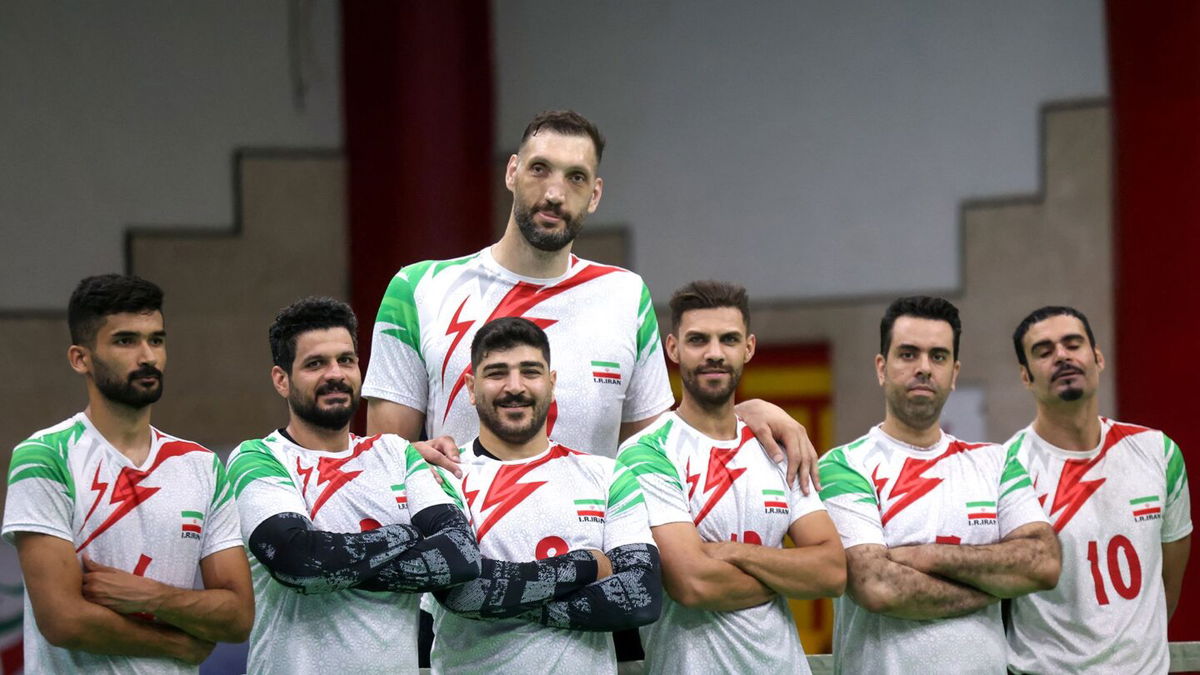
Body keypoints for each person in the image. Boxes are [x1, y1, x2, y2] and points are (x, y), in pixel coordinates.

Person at [362, 109, 818, 485]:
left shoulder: (625, 295)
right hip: (464, 577)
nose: (556, 193)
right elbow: (383, 463)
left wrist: (740, 414)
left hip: (592, 575)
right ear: (512, 172)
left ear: (595, 195)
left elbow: (659, 453)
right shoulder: (418, 288)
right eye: (539, 169)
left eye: (576, 178)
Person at [2, 274, 253, 672]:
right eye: (125, 341)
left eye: (156, 339)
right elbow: (63, 620)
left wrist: (151, 596)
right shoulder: (45, 456)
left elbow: (238, 616)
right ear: (79, 358)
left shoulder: (202, 466)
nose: (148, 356)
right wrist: (176, 643)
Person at [224, 297, 480, 674]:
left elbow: (460, 555)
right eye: (315, 364)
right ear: (281, 380)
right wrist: (407, 534)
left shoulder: (395, 452)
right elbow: (300, 561)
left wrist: (334, 564)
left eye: (346, 360)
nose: (335, 374)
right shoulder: (258, 457)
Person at [816, 295, 1060, 674]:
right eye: (908, 354)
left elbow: (1042, 563)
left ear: (954, 373)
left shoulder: (997, 462)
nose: (924, 368)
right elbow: (876, 585)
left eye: (938, 356)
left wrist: (926, 557)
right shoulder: (844, 464)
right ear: (882, 367)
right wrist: (992, 585)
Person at [618, 281, 845, 674]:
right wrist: (792, 574)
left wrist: (735, 553)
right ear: (673, 349)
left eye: (728, 339)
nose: (714, 354)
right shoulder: (647, 452)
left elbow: (832, 571)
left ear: (749, 347)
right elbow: (693, 583)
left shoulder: (777, 447)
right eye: (697, 340)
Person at [425, 317, 662, 673]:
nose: (514, 387)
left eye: (531, 372)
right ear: (471, 388)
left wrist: (502, 597)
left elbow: (639, 599)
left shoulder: (608, 476)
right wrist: (586, 565)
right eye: (497, 373)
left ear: (551, 383)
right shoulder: (440, 479)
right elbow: (462, 591)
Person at [1005, 306, 1191, 674]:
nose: (1062, 355)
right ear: (1026, 377)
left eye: (1073, 344)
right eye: (1044, 351)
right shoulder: (1006, 469)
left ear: (1098, 358)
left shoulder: (1159, 452)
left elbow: (1168, 584)